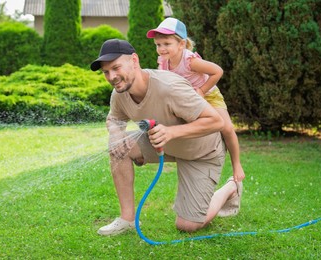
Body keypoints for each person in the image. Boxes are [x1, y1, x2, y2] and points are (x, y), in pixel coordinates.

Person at [90, 39, 243, 236]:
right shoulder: (119, 94)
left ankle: (230, 188)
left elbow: (216, 122)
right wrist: (115, 133)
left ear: (134, 60)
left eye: (116, 67)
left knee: (188, 226)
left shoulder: (168, 87)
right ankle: (127, 219)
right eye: (106, 72)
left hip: (202, 152)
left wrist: (171, 132)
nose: (111, 76)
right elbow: (114, 119)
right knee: (119, 146)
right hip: (164, 143)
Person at [146, 18, 246, 187]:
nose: (161, 49)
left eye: (166, 44)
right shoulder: (163, 62)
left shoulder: (190, 61)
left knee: (227, 128)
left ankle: (237, 165)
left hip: (209, 95)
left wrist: (201, 91)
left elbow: (217, 71)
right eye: (158, 44)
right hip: (188, 100)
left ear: (181, 44)